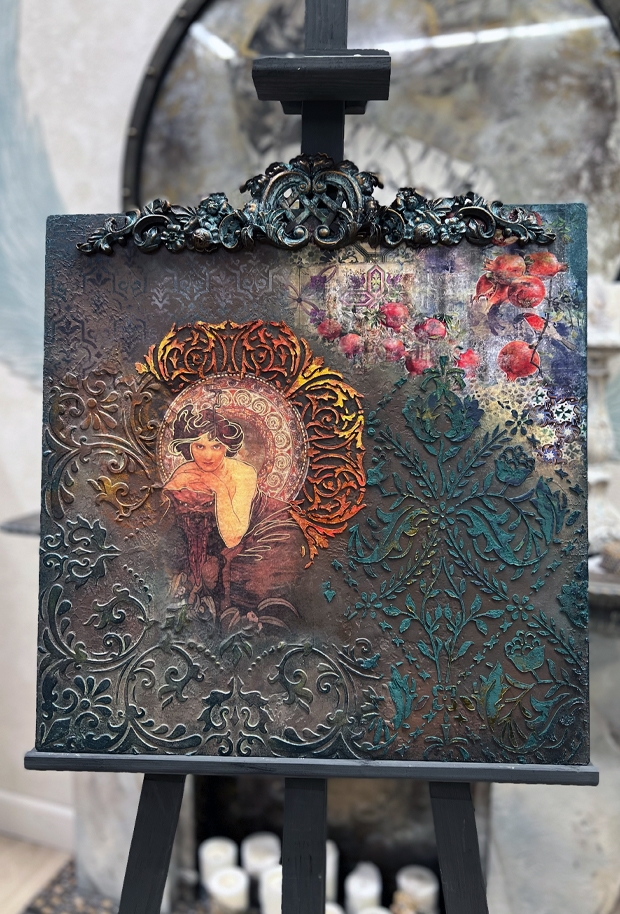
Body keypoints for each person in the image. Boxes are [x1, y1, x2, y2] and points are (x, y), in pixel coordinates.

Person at [162, 401, 304, 626]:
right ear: (188, 447)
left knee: (254, 575)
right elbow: (167, 510)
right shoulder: (184, 471)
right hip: (220, 544)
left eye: (216, 446)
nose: (208, 456)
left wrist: (218, 487)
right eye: (199, 446)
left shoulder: (243, 473)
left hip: (265, 531)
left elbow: (233, 536)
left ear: (227, 447)